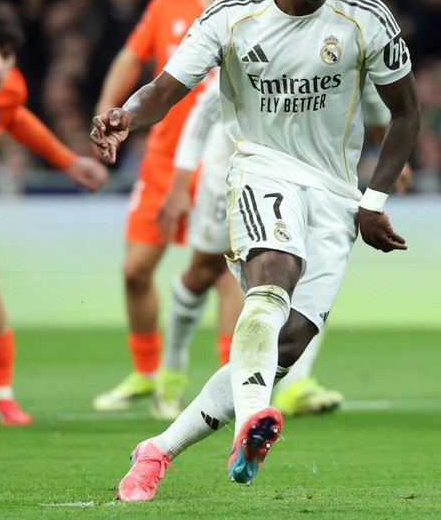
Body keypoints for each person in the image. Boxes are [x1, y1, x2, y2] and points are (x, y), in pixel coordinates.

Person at [91, 0, 419, 500]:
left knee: (286, 345)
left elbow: (406, 115)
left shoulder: (366, 18)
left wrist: (372, 202)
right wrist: (125, 116)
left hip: (334, 196)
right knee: (272, 275)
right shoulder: (232, 15)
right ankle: (253, 421)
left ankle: (157, 450)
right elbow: (165, 89)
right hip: (260, 168)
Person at [156, 71, 405, 420]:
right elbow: (204, 112)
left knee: (305, 279)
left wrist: (391, 161)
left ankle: (291, 384)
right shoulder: (258, 36)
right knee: (203, 273)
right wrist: (181, 183)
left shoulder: (346, 42)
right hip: (232, 170)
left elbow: (376, 103)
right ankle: (172, 370)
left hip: (303, 182)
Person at [91, 0, 261, 414]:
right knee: (135, 269)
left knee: (227, 272)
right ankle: (147, 373)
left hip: (232, 160)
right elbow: (131, 56)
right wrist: (107, 108)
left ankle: (232, 384)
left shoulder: (263, 12)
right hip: (166, 157)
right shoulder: (168, 2)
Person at [0, 4, 108, 424]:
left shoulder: (10, 89)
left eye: (6, 54)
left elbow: (16, 119)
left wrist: (67, 161)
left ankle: (2, 394)